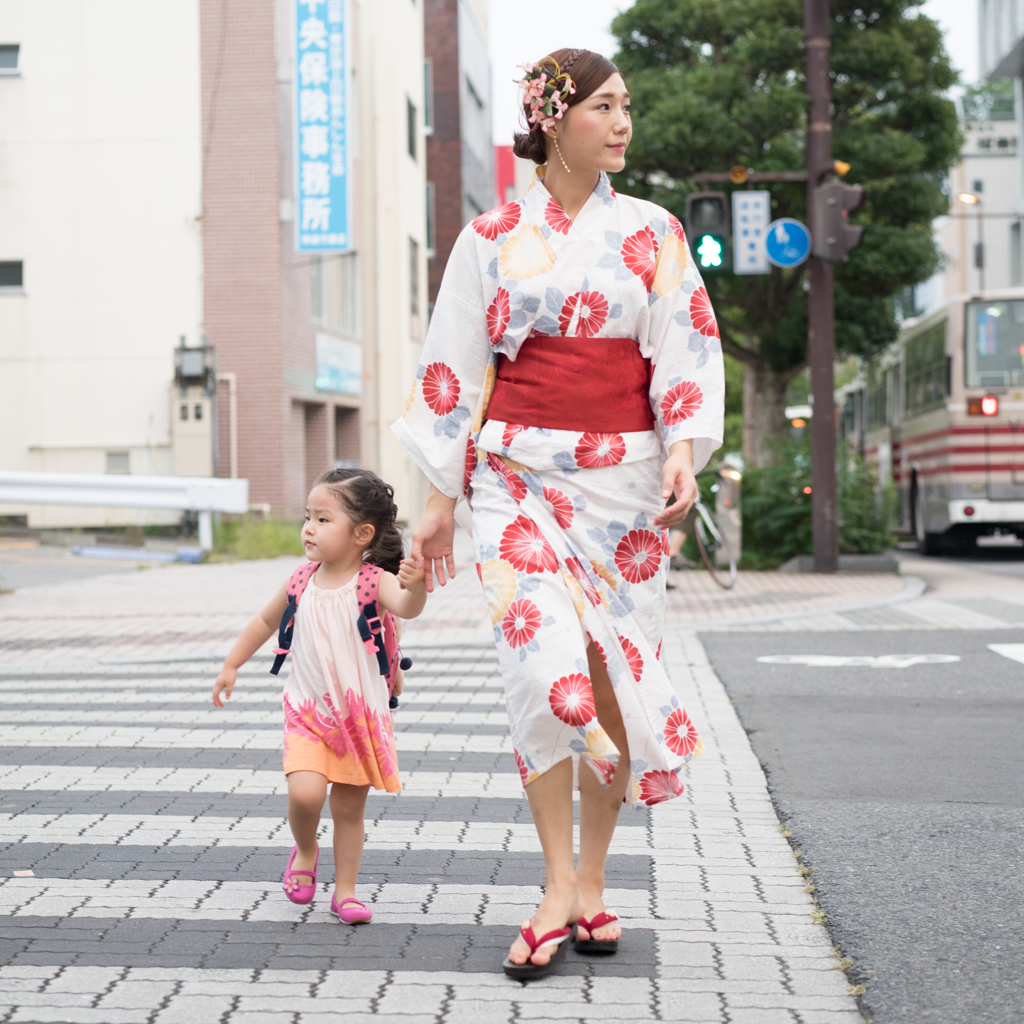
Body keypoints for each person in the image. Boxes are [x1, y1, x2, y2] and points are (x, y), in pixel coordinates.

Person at [393, 48, 724, 978]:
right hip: (514, 479)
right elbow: (454, 368)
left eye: (627, 106)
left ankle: (590, 880)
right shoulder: (490, 234)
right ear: (552, 118)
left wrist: (685, 454)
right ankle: (550, 885)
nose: (623, 123)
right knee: (544, 674)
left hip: (624, 483)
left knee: (612, 678)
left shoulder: (653, 231)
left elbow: (685, 353)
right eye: (604, 106)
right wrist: (436, 504)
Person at [211, 468, 427, 923]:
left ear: (361, 534)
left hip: (359, 718)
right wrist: (232, 663)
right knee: (306, 795)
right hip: (309, 711)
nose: (309, 527)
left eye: (323, 519)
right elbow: (264, 622)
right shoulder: (300, 580)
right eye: (308, 517)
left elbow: (407, 607)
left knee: (349, 809)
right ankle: (305, 851)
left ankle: (345, 892)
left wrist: (418, 583)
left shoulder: (372, 582)